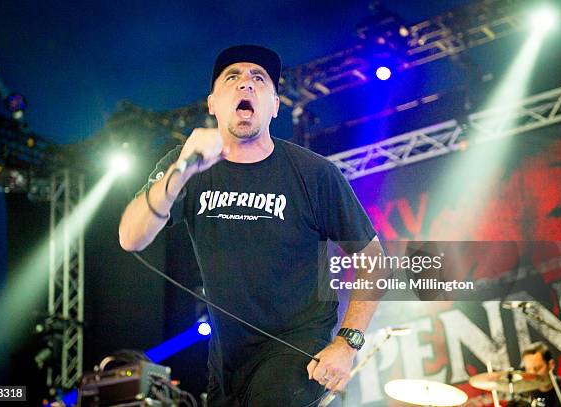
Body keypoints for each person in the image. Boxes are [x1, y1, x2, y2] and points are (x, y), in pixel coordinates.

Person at [119, 44, 383, 406]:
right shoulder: (186, 168)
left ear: (275, 106)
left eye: (259, 79)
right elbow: (130, 237)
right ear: (212, 103)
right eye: (233, 77)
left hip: (297, 349)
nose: (246, 85)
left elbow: (374, 260)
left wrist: (347, 342)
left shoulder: (315, 173)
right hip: (226, 358)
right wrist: (181, 171)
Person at [521, 342, 561, 407]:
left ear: (551, 364)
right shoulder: (526, 395)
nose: (532, 374)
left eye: (537, 368)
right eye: (528, 369)